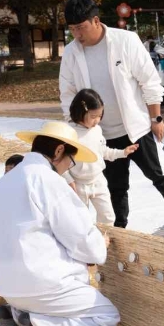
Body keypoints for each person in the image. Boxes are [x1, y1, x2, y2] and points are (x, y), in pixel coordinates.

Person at [60, 0, 164, 241]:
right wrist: (74, 129)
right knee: (114, 187)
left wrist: (157, 118)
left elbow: (149, 81)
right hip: (100, 134)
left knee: (160, 173)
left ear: (96, 20)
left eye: (81, 27)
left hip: (137, 127)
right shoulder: (70, 53)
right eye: (72, 29)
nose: (77, 34)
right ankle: (118, 233)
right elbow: (67, 94)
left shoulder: (125, 41)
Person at [0, 121, 120, 326]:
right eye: (71, 160)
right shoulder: (48, 181)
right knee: (107, 316)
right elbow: (81, 237)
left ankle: (14, 313)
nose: (69, 167)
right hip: (44, 286)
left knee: (35, 297)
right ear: (59, 151)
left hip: (7, 287)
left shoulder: (4, 181)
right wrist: (100, 244)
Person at [65, 88, 140, 225]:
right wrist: (69, 181)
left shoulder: (97, 130)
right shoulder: (69, 133)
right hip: (78, 184)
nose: (97, 120)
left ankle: (103, 242)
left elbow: (103, 151)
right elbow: (61, 161)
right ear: (80, 112)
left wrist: (122, 152)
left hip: (98, 180)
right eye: (93, 117)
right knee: (81, 220)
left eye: (100, 116)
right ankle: (85, 244)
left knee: (108, 217)